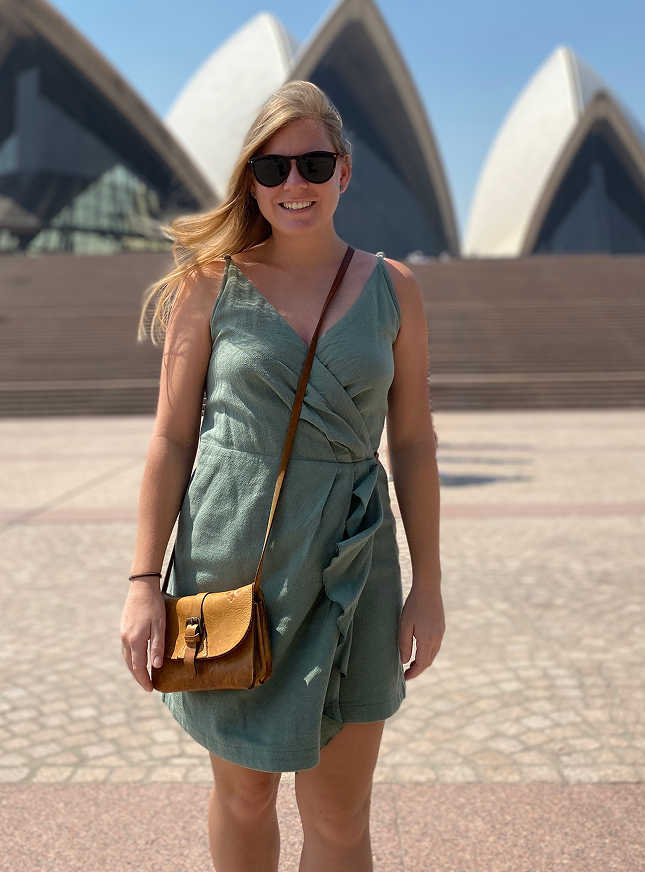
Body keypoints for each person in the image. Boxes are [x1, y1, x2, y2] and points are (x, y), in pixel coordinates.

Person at [120, 81, 444, 872]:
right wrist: (139, 582)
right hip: (236, 565)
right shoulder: (208, 285)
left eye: (311, 163)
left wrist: (427, 585)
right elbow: (169, 439)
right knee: (243, 795)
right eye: (270, 168)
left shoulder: (394, 288)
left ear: (344, 172)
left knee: (338, 815)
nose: (292, 184)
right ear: (250, 181)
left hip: (353, 564)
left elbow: (412, 443)